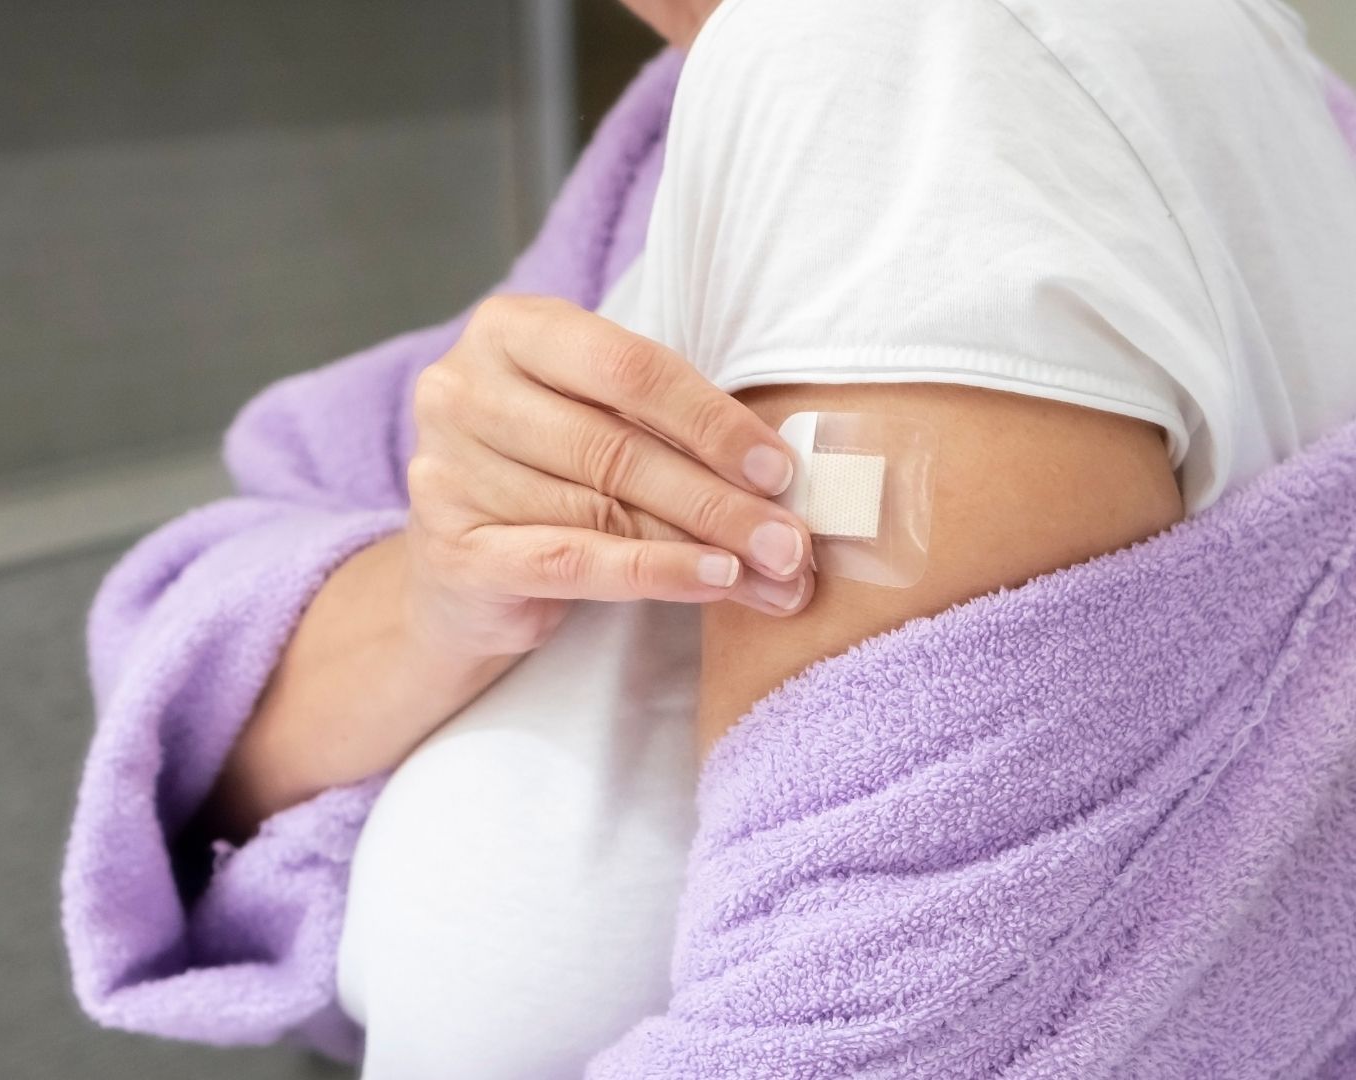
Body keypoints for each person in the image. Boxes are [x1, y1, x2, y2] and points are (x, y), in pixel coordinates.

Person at [72, 1, 1356, 1075]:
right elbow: (205, 735)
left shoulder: (912, 64)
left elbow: (886, 1028)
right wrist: (429, 598)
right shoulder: (687, 143)